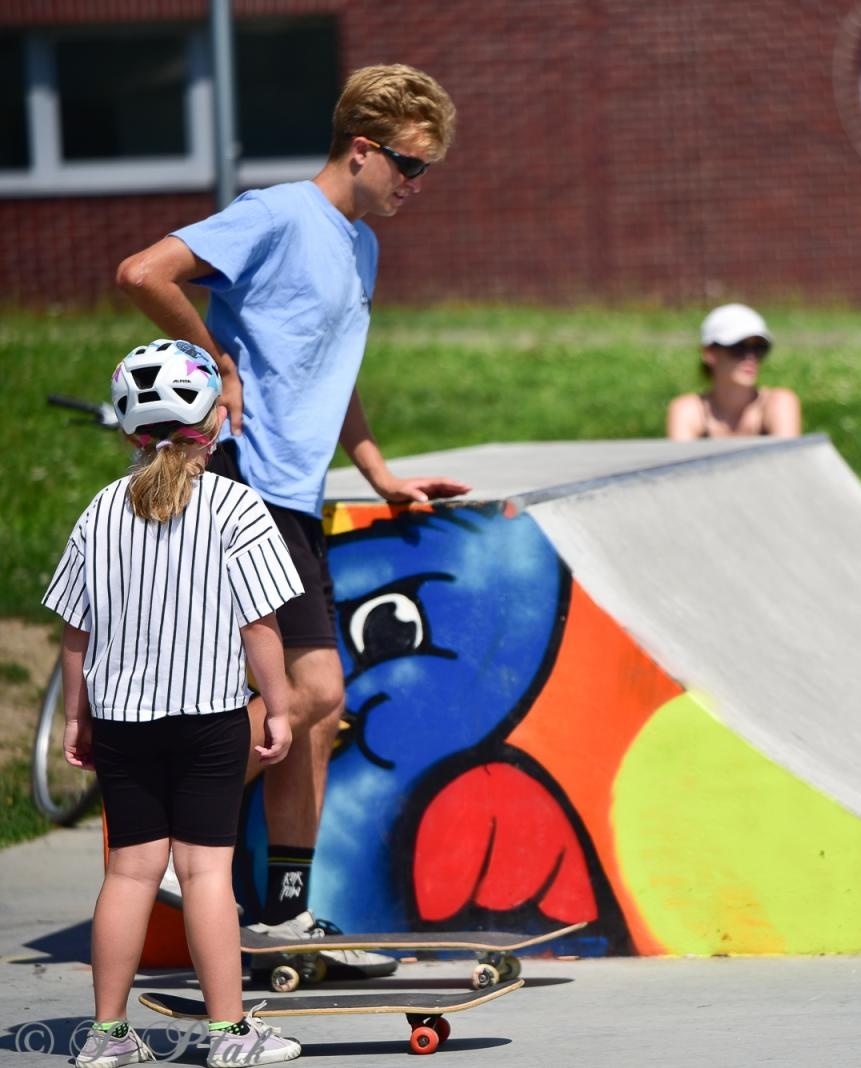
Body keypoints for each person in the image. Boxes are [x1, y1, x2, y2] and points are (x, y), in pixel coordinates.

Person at [113, 64, 468, 970]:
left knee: (315, 710)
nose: (416, 189)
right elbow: (143, 272)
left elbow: (332, 374)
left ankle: (283, 910)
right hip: (239, 484)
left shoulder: (362, 248)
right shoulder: (274, 215)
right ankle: (154, 840)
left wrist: (381, 473)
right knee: (306, 695)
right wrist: (216, 361)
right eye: (410, 168)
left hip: (296, 497)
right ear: (362, 149)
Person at [46, 340, 303, 1068]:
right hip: (211, 721)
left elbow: (75, 629)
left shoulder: (99, 511)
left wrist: (77, 715)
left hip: (124, 722)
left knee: (128, 874)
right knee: (204, 876)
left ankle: (105, 1037)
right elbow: (261, 626)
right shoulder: (235, 506)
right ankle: (228, 1037)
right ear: (215, 424)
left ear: (131, 431)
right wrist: (278, 707)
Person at [666, 303, 802, 439]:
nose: (750, 357)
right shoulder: (688, 410)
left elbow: (787, 459)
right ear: (709, 353)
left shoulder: (778, 402)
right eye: (738, 348)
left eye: (758, 348)